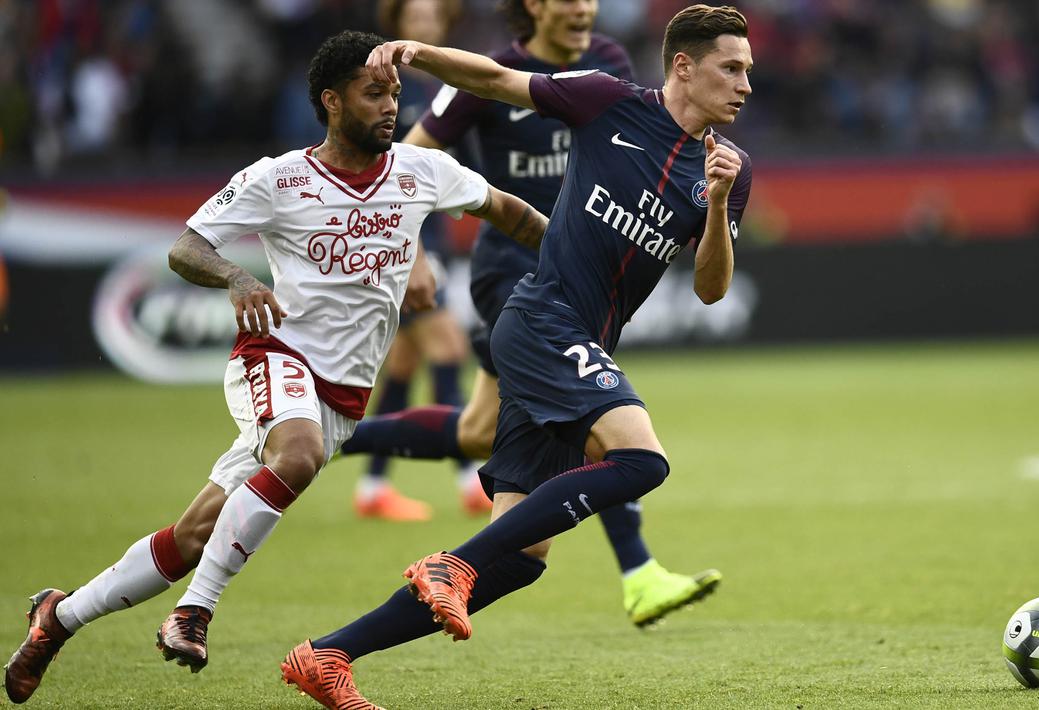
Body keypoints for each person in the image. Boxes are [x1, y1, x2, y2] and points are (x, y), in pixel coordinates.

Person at [3, 29, 548, 705]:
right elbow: (187, 248)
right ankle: (195, 612)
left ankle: (58, 618)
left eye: (394, 94)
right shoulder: (279, 177)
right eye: (372, 93)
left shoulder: (419, 171)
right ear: (330, 100)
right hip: (276, 355)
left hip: (344, 394)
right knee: (295, 455)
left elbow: (510, 213)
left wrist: (574, 261)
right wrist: (236, 278)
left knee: (197, 534)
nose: (389, 107)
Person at [281, 6, 753, 708]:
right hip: (539, 318)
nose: (745, 83)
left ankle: (328, 655)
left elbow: (712, 288)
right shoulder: (609, 100)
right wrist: (420, 53)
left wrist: (716, 203)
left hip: (582, 339)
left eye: (747, 70)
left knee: (521, 560)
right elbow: (497, 79)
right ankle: (450, 564)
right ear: (682, 65)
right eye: (731, 67)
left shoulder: (729, 171)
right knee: (642, 460)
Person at [354, 0, 490, 523]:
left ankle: (371, 489)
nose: (426, 25)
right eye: (416, 18)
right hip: (396, 245)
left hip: (428, 244)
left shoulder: (450, 90)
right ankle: (469, 479)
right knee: (450, 346)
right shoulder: (383, 90)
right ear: (398, 27)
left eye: (434, 17)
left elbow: (471, 170)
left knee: (404, 366)